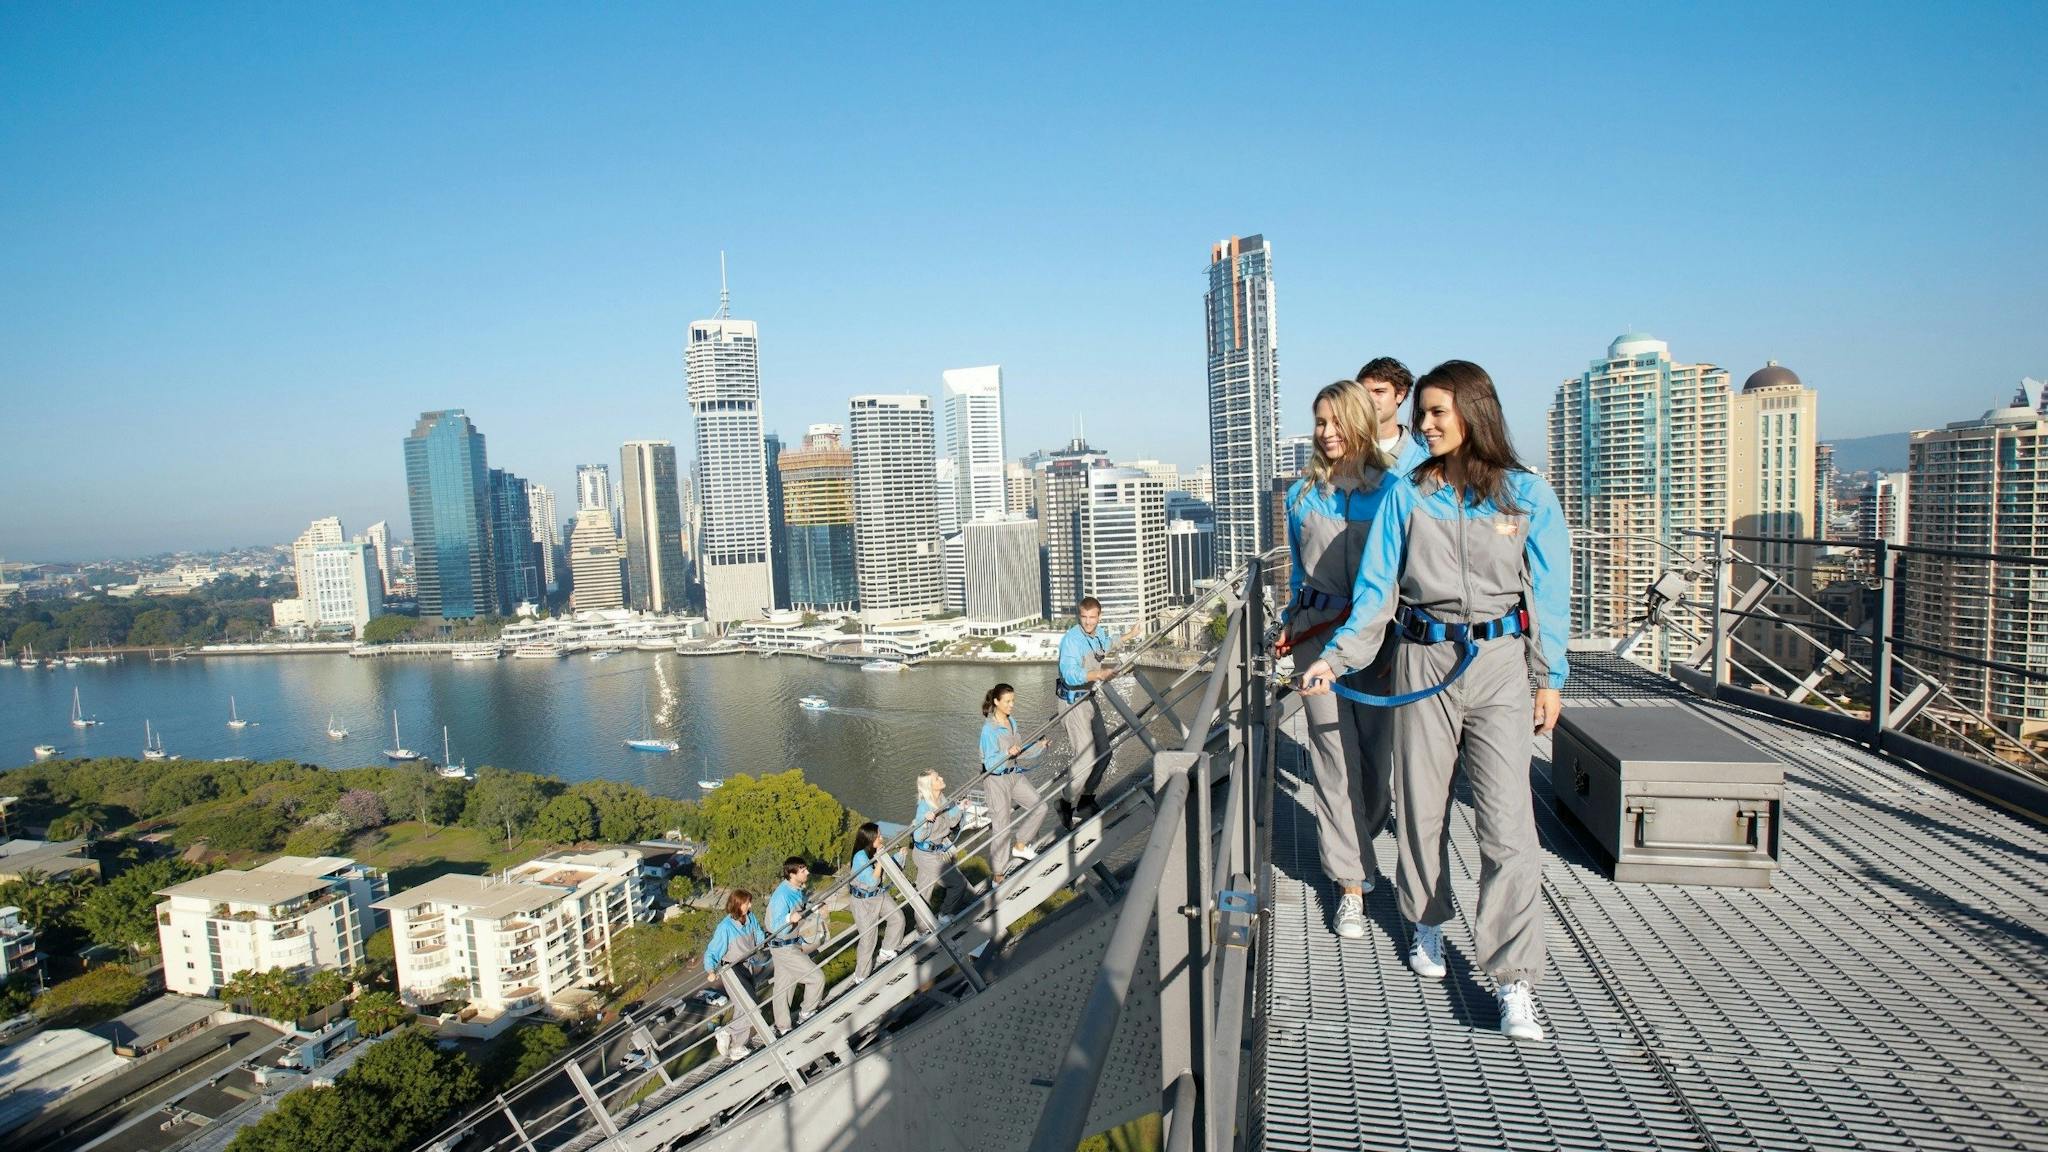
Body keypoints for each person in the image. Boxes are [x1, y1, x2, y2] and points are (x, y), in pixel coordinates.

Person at [1299, 359, 1571, 1044]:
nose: (1422, 425)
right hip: (1422, 656)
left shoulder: (1525, 494)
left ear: (1475, 413)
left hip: (1501, 667)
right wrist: (1335, 659)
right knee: (1422, 806)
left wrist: (1551, 677)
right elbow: (1375, 593)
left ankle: (1513, 981)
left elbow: (1550, 592)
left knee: (1508, 824)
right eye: (1420, 414)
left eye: (1436, 413)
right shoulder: (1407, 496)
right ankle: (1425, 918)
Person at [1278, 379, 1397, 941]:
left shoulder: (1393, 492)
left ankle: (1363, 840)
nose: (1324, 433)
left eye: (1333, 421)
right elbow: (1300, 574)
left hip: (1380, 641)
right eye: (1318, 422)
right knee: (1332, 756)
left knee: (1375, 761)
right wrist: (1292, 622)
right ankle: (1350, 882)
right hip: (1316, 637)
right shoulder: (1302, 496)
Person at [1055, 595, 1121, 826]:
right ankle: (1065, 803)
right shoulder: (1072, 641)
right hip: (1073, 703)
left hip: (1088, 698)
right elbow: (1070, 674)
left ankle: (1086, 799)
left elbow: (1108, 643)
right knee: (1085, 760)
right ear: (1079, 616)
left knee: (1105, 752)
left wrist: (1131, 635)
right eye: (1084, 617)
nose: (1088, 622)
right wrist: (1099, 674)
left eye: (1092, 617)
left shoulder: (1098, 633)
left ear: (1099, 616)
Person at [979, 682, 1046, 882]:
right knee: (1002, 826)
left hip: (1014, 775)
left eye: (1013, 701)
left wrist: (1039, 746)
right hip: (996, 780)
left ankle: (1020, 846)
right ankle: (997, 874)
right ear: (996, 702)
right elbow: (989, 762)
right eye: (1007, 701)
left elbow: (1020, 751)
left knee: (1040, 806)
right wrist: (1006, 753)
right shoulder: (988, 730)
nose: (1011, 705)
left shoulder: (1012, 722)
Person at [702, 888, 766, 1062]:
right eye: (747, 903)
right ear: (738, 905)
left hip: (748, 966)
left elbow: (758, 933)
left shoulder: (750, 917)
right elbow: (712, 951)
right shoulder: (725, 928)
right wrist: (710, 970)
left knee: (741, 1008)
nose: (750, 905)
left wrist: (763, 944)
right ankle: (731, 1038)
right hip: (732, 970)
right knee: (751, 1007)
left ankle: (731, 1039)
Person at [764, 856, 826, 1034]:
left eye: (806, 868)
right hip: (784, 946)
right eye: (802, 870)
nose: (807, 872)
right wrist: (788, 919)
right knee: (816, 978)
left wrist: (813, 908)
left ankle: (783, 1027)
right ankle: (806, 1012)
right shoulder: (781, 896)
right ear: (792, 874)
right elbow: (775, 926)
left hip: (788, 945)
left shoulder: (795, 889)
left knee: (783, 989)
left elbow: (800, 909)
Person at [848, 821, 907, 980]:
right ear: (869, 839)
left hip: (877, 894)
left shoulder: (876, 850)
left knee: (897, 918)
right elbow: (873, 880)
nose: (881, 838)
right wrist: (880, 859)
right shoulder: (860, 857)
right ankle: (861, 975)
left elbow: (888, 868)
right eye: (878, 836)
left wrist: (900, 856)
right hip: (863, 902)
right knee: (868, 939)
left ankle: (887, 949)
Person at [1357, 356, 1432, 476]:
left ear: (1400, 394)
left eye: (1379, 392)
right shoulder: (1341, 452)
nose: (1369, 400)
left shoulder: (1424, 459)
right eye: (1363, 393)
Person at [911, 770, 970, 917]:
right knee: (958, 884)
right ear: (930, 786)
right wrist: (926, 822)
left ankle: (921, 930)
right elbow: (918, 836)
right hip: (926, 855)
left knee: (923, 895)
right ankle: (944, 914)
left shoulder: (942, 799)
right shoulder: (924, 808)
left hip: (935, 852)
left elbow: (951, 822)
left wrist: (960, 807)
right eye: (937, 778)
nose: (942, 778)